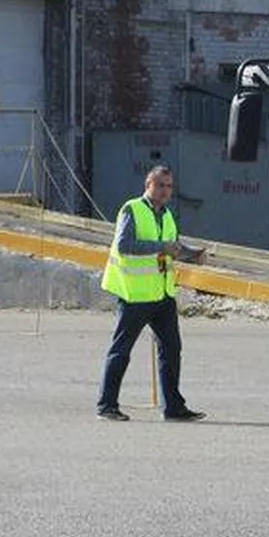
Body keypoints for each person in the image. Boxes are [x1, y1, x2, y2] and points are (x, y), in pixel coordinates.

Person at [96, 164, 208, 422]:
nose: (165, 190)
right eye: (160, 185)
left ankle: (173, 408)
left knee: (171, 349)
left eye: (169, 186)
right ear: (148, 185)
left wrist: (194, 255)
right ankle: (106, 405)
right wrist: (161, 247)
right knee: (121, 349)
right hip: (135, 295)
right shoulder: (132, 209)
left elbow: (173, 248)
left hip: (162, 295)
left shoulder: (167, 215)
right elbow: (125, 246)